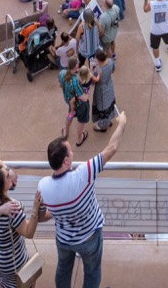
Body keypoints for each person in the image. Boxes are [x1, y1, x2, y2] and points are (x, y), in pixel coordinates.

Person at [33, 110, 128, 288]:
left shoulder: (43, 186)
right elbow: (112, 148)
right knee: (92, 271)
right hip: (89, 237)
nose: (73, 153)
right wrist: (122, 123)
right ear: (65, 161)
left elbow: (41, 216)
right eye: (70, 151)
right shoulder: (83, 174)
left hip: (64, 239)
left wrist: (59, 211)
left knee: (63, 269)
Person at [142, 0, 168, 72]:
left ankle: (157, 64)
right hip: (166, 29)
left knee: (155, 47)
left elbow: (145, 9)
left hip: (155, 31)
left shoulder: (152, 4)